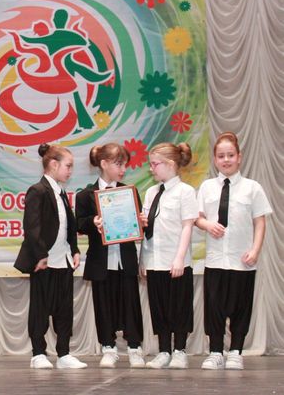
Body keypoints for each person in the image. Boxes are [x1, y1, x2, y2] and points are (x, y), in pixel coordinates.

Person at [195, 132, 272, 370]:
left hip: (242, 259)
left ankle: (236, 351)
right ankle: (216, 352)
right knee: (214, 308)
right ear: (215, 159)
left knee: (241, 307)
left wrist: (255, 250)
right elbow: (197, 217)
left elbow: (260, 222)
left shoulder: (252, 188)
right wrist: (207, 225)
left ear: (239, 157)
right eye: (221, 156)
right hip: (215, 259)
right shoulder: (207, 187)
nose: (226, 160)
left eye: (230, 155)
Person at [14, 143, 86, 369]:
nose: (70, 171)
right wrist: (41, 255)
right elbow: (32, 227)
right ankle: (38, 353)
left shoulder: (61, 193)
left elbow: (68, 226)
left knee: (64, 309)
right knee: (40, 308)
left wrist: (74, 250)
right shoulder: (38, 190)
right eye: (68, 166)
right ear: (54, 165)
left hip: (63, 260)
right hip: (44, 261)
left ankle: (64, 354)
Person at [75, 142, 145, 368]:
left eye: (124, 165)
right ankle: (108, 347)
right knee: (103, 305)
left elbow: (138, 225)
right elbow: (79, 224)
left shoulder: (129, 192)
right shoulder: (86, 195)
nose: (123, 169)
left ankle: (134, 348)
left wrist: (141, 222)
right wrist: (93, 221)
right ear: (104, 164)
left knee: (131, 304)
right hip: (101, 261)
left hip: (125, 259)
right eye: (118, 164)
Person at [139, 142, 197, 370]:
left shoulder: (185, 192)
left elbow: (187, 226)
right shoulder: (151, 192)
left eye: (155, 164)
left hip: (176, 260)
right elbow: (147, 229)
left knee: (179, 306)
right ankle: (164, 350)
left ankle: (180, 350)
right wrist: (143, 259)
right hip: (155, 260)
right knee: (159, 306)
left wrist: (180, 258)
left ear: (170, 164)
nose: (151, 168)